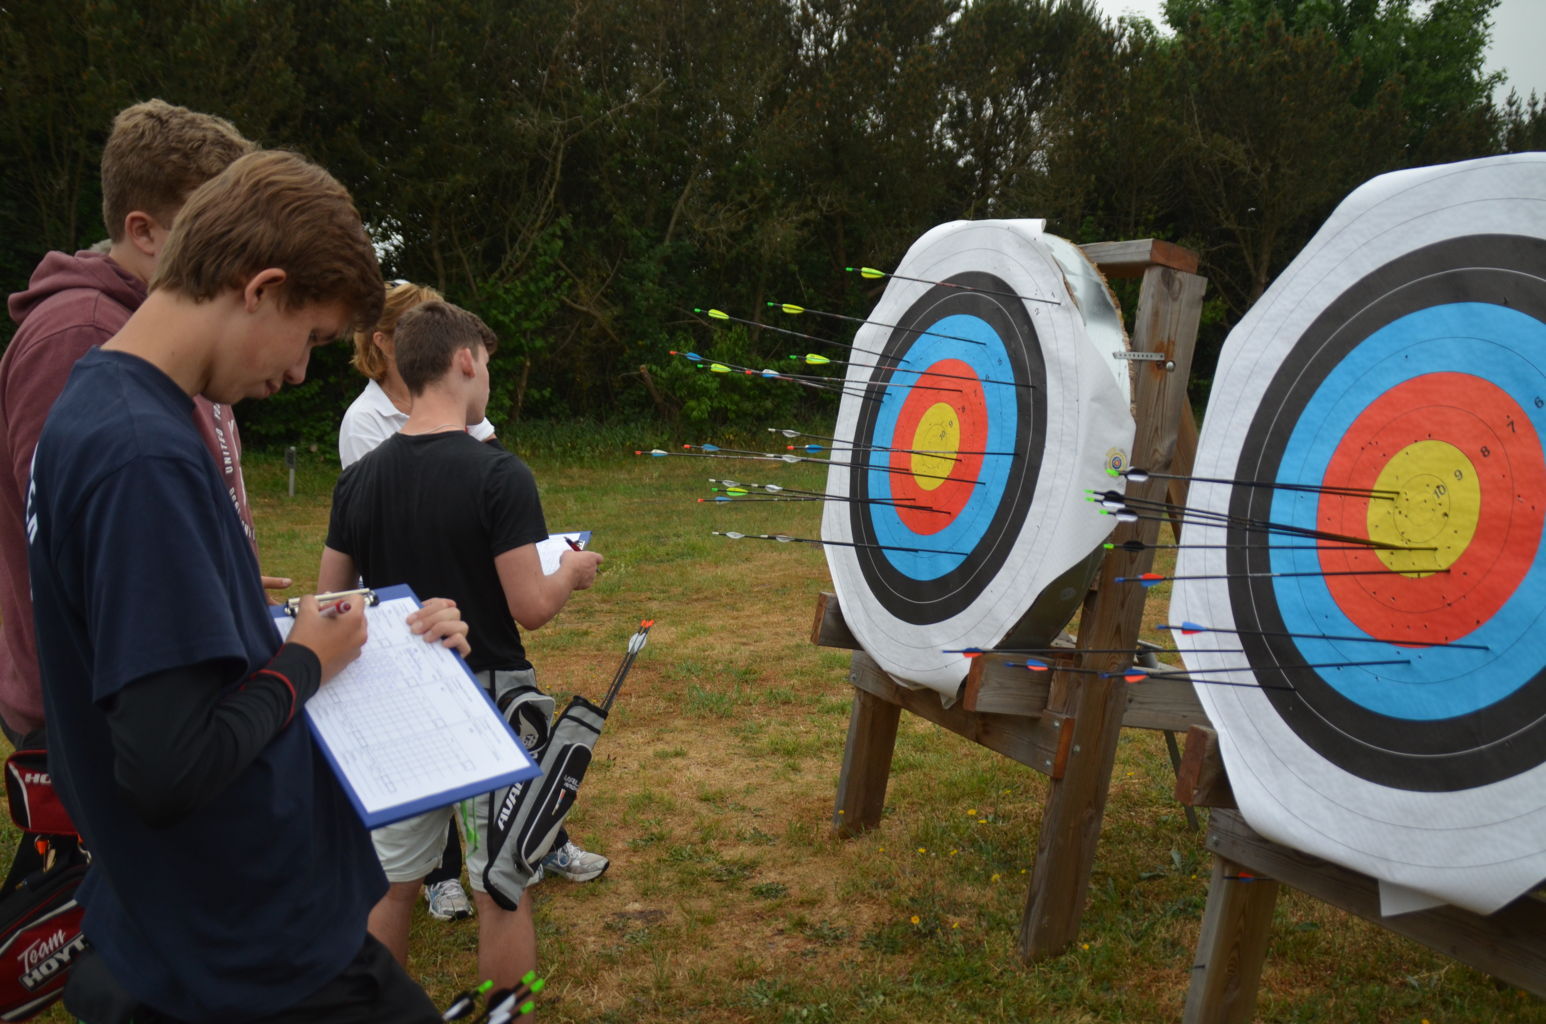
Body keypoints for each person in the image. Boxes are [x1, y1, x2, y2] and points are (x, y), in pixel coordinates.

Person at [28, 149, 469, 1023]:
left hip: (180, 915)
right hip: (249, 942)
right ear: (261, 288)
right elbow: (168, 766)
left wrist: (288, 628)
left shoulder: (94, 401)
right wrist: (306, 659)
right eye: (310, 337)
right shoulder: (143, 456)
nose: (300, 372)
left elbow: (152, 663)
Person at [319, 299, 604, 991]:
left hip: (396, 708)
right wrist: (570, 572)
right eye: (488, 369)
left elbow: (331, 606)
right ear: (465, 361)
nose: (489, 384)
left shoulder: (357, 481)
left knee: (392, 887)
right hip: (490, 709)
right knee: (502, 886)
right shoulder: (500, 475)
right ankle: (508, 1011)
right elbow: (531, 608)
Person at [0, 99, 277, 746]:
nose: (233, 256)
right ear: (145, 231)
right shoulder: (79, 335)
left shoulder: (178, 326)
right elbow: (78, 544)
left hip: (175, 674)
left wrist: (214, 581)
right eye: (210, 231)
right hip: (106, 712)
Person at [338, 280, 497, 468]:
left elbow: (498, 464)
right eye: (419, 331)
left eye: (437, 330)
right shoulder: (364, 420)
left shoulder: (451, 392)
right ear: (384, 343)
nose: (438, 341)